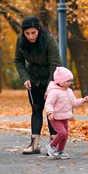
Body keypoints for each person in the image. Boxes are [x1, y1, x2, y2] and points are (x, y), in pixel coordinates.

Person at [13, 16, 62, 155]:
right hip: (33, 78)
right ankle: (34, 144)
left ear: (39, 30)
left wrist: (51, 86)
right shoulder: (20, 40)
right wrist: (25, 78)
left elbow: (55, 64)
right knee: (36, 108)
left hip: (51, 77)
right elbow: (18, 61)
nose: (30, 36)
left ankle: (54, 145)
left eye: (33, 33)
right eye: (27, 33)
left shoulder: (49, 40)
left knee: (51, 111)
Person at [44, 67, 88, 160]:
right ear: (60, 82)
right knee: (62, 133)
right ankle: (51, 146)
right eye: (67, 81)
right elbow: (49, 103)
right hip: (55, 117)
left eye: (70, 81)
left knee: (65, 135)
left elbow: (73, 103)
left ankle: (60, 151)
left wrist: (82, 101)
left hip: (65, 117)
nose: (70, 83)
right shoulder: (54, 91)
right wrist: (50, 112)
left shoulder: (69, 91)